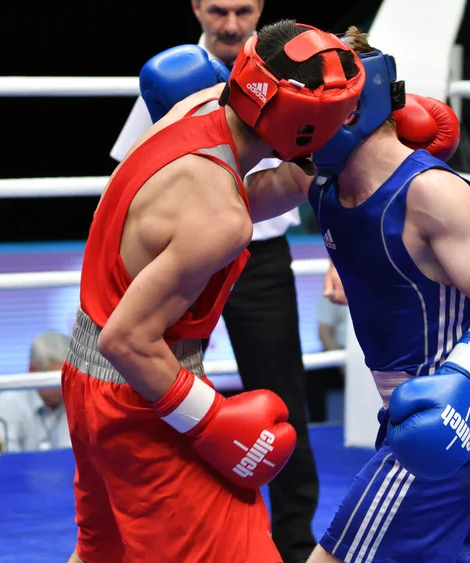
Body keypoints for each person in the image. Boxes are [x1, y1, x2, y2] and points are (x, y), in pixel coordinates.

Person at [62, 21, 365, 563]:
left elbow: (254, 191)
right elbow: (126, 340)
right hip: (142, 395)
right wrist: (211, 422)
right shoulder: (220, 217)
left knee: (101, 555)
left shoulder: (200, 103)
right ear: (306, 124)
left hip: (87, 382)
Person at [241, 28, 470, 563]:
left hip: (445, 419)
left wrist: (459, 384)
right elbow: (230, 203)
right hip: (416, 420)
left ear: (350, 108)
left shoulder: (431, 193)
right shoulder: (318, 182)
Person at [110, 2, 321, 559]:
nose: (230, 24)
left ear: (260, 10)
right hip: (184, 259)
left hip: (262, 255)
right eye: (220, 10)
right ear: (198, 8)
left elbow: (318, 173)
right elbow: (129, 173)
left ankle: (296, 541)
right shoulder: (176, 81)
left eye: (243, 10)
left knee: (282, 396)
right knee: (155, 375)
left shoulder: (292, 80)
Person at [0, 331, 71, 452]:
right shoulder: (8, 405)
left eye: (69, 376)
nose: (64, 384)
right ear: (32, 370)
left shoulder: (80, 403)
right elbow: (5, 462)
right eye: (56, 377)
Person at [306, 295, 348, 422]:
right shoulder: (333, 290)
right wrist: (341, 362)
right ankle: (317, 425)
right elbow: (324, 332)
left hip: (371, 354)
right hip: (339, 352)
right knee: (312, 374)